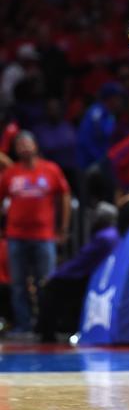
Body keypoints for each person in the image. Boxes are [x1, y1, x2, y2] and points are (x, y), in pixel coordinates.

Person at [0, 131, 71, 332]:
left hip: (44, 236)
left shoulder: (50, 169)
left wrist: (63, 228)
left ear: (35, 146)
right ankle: (23, 325)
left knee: (46, 283)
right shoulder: (11, 173)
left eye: (26, 143)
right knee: (18, 284)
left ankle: (46, 325)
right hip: (15, 236)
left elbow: (64, 196)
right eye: (19, 144)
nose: (23, 147)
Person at [37, 201, 119, 342]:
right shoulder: (113, 234)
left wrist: (54, 275)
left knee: (51, 288)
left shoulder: (103, 237)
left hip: (88, 278)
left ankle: (47, 334)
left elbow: (80, 262)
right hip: (98, 277)